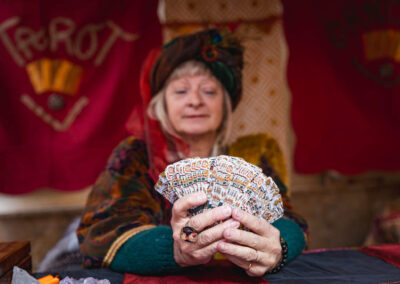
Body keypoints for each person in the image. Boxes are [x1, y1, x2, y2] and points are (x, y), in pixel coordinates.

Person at [76, 28, 309, 277]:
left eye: (209, 91)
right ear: (161, 103)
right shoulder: (135, 157)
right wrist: (176, 249)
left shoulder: (249, 156)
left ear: (226, 104)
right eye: (181, 91)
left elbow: (290, 221)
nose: (195, 101)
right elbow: (100, 236)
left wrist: (278, 247)